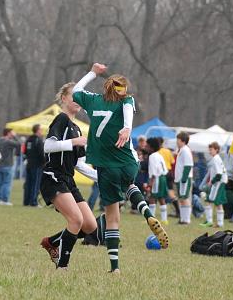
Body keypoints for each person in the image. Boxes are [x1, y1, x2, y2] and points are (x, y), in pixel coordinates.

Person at [72, 62, 168, 273]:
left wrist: (92, 73)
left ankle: (115, 268)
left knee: (112, 219)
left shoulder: (93, 100)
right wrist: (127, 128)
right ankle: (146, 212)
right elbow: (126, 107)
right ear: (123, 90)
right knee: (129, 184)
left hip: (106, 167)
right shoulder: (126, 101)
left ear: (105, 88)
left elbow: (75, 91)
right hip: (128, 163)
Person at [38, 82, 102, 269]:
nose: (77, 99)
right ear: (64, 98)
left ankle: (51, 242)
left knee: (90, 227)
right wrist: (73, 142)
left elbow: (80, 165)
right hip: (53, 177)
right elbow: (48, 147)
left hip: (68, 179)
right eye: (73, 95)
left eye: (79, 96)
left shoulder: (77, 128)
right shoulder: (61, 119)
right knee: (76, 220)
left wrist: (103, 177)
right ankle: (62, 267)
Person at [200, 141, 228, 228]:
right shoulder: (216, 158)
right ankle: (210, 221)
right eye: (209, 149)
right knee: (209, 200)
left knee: (217, 202)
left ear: (216, 150)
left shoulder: (216, 159)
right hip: (219, 182)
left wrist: (211, 182)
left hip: (218, 182)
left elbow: (219, 175)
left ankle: (219, 223)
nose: (210, 151)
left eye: (211, 149)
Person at [146, 137, 169, 223]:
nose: (146, 148)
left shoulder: (152, 156)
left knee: (152, 197)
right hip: (163, 177)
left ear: (152, 147)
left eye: (147, 146)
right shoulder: (159, 155)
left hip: (156, 178)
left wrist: (150, 183)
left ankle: (152, 219)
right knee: (161, 198)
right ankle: (164, 219)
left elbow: (154, 171)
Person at [0, 128, 18, 205]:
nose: (12, 134)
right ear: (8, 133)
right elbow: (19, 144)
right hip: (8, 165)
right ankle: (4, 200)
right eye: (11, 133)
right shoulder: (8, 142)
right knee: (7, 183)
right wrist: (15, 136)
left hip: (0, 164)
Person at [174, 131, 193, 224]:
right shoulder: (181, 150)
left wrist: (184, 179)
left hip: (184, 178)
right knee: (181, 199)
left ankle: (187, 219)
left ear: (183, 140)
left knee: (185, 198)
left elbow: (188, 165)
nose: (177, 142)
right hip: (179, 178)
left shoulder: (186, 150)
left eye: (178, 140)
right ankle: (182, 219)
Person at [23, 124, 44, 206]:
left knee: (28, 183)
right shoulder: (38, 140)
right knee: (35, 184)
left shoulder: (28, 139)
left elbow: (25, 151)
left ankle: (26, 201)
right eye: (41, 129)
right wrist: (44, 162)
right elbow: (41, 153)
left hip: (29, 164)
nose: (42, 131)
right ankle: (33, 202)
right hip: (37, 165)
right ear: (38, 130)